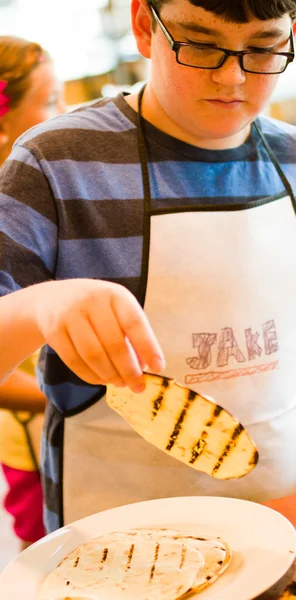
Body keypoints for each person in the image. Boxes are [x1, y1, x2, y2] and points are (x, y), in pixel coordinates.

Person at [0, 0, 296, 535]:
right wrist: (39, 306)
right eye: (201, 44)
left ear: (291, 35)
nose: (231, 76)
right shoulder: (58, 164)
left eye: (261, 49)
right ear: (145, 25)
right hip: (118, 544)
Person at [0, 36, 65, 548]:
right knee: (41, 544)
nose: (66, 113)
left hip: (62, 418)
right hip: (30, 431)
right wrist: (61, 398)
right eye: (50, 101)